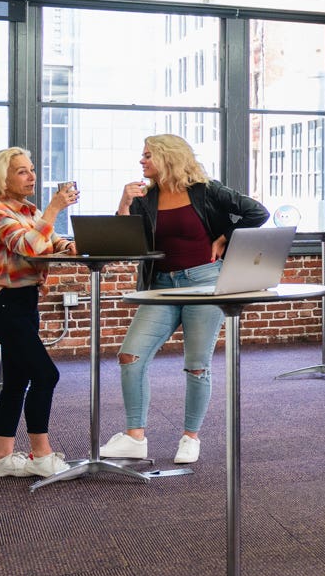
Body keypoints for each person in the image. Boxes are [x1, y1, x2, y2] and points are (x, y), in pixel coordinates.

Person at [99, 135, 269, 465]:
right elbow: (121, 244)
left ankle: (190, 436)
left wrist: (224, 237)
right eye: (142, 155)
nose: (142, 161)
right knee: (130, 355)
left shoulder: (206, 190)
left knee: (196, 365)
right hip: (161, 286)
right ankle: (135, 437)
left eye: (148, 155)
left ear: (168, 158)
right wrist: (123, 203)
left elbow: (256, 212)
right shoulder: (144, 197)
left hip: (205, 283)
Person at [0, 147, 76, 479]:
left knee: (17, 381)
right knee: (46, 375)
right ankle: (41, 455)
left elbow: (50, 242)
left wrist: (67, 245)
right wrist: (55, 208)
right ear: (3, 178)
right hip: (3, 304)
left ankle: (1, 460)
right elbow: (28, 246)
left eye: (32, 169)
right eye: (22, 171)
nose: (32, 176)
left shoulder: (30, 211)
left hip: (26, 302)